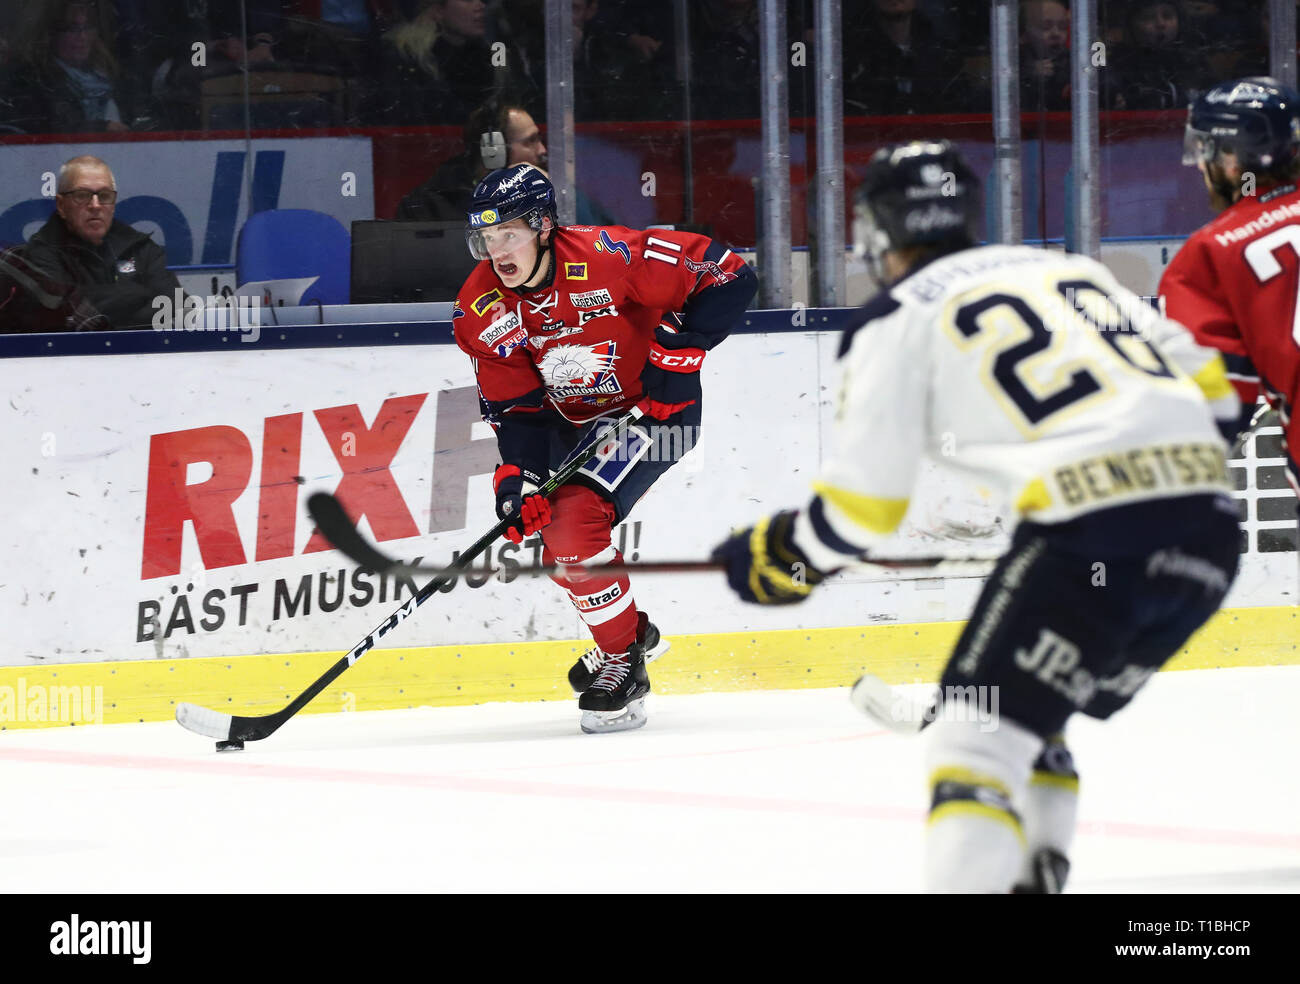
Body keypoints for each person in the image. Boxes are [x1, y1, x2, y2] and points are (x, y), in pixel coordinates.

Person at [712, 140, 1242, 892]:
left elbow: (864, 507)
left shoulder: (895, 319)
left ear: (877, 230)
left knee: (974, 741)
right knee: (1031, 714)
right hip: (1212, 535)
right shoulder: (1073, 271)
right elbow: (1215, 397)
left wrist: (782, 558)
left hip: (1091, 538)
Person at [452, 163, 756, 733]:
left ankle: (623, 662)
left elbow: (730, 274)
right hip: (573, 431)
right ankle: (631, 634)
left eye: (509, 234)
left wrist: (681, 352)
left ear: (544, 226)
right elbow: (517, 409)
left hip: (654, 418)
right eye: (486, 239)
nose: (497, 252)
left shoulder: (611, 257)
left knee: (571, 532)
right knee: (563, 549)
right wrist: (517, 479)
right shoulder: (481, 307)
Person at [1160, 77, 1300, 516]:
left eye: (1205, 152)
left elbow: (1213, 409)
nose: (1199, 167)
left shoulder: (1211, 252)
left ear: (1232, 158)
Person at [23, 155, 182, 330]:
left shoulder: (139, 246)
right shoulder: (41, 253)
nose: (95, 205)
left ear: (113, 204)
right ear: (61, 205)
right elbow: (65, 315)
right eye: (82, 195)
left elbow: (181, 308)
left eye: (105, 195)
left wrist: (103, 310)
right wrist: (138, 293)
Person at [396, 100, 615, 225]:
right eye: (531, 142)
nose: (543, 151)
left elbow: (599, 242)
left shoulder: (562, 193)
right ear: (494, 151)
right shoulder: (429, 206)